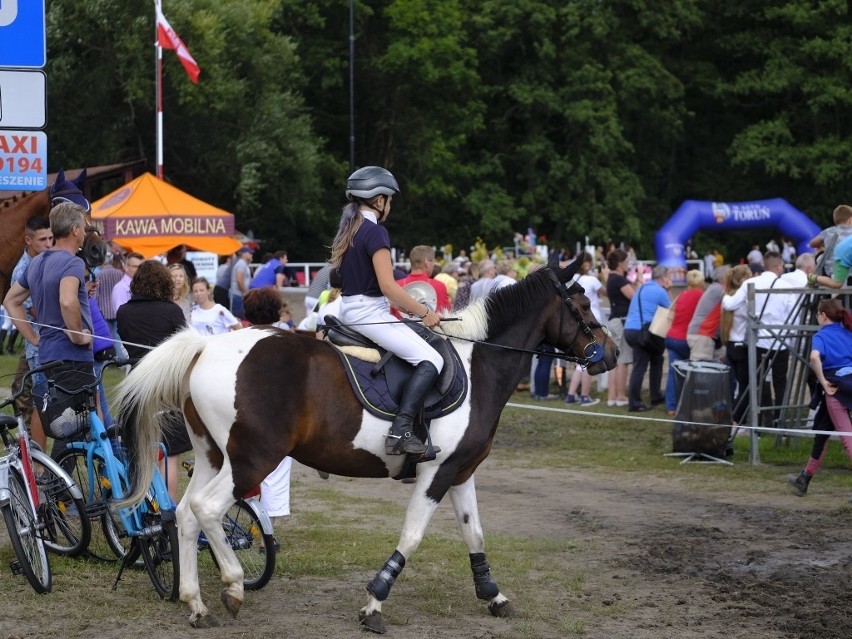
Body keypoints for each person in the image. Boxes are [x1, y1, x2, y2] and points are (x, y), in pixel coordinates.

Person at [329, 166, 443, 456]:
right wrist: (424, 312)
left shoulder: (350, 230)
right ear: (378, 201)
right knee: (432, 358)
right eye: (389, 200)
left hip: (350, 309)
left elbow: (339, 279)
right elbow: (389, 287)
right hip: (369, 314)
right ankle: (401, 430)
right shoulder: (375, 232)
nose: (389, 205)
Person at [3, 202, 95, 456]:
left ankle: (48, 478)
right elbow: (67, 300)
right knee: (73, 425)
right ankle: (59, 488)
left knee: (51, 416)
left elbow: (11, 301)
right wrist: (78, 335)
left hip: (47, 355)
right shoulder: (72, 262)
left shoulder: (36, 262)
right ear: (75, 230)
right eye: (85, 228)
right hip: (72, 355)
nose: (86, 234)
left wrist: (33, 337)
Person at [116, 260, 190, 502]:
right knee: (169, 455)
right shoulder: (171, 311)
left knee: (142, 452)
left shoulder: (124, 312)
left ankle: (147, 503)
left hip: (136, 387)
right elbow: (185, 349)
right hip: (166, 388)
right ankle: (168, 508)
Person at [787, 298, 852, 496]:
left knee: (848, 439)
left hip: (836, 390)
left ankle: (804, 478)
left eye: (817, 313)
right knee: (822, 433)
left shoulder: (821, 336)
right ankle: (804, 478)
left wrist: (823, 382)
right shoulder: (848, 331)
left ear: (823, 316)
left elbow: (815, 357)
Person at [242, 286, 293, 523]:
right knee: (275, 471)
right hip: (277, 414)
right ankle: (266, 532)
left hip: (242, 411)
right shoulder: (288, 340)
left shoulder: (237, 339)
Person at [723, 252, 788, 428]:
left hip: (757, 342)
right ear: (777, 266)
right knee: (780, 382)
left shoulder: (750, 284)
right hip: (781, 342)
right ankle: (780, 422)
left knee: (758, 383)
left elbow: (729, 304)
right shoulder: (785, 285)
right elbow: (791, 317)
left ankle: (761, 422)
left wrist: (724, 293)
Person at [7, 216, 53, 449]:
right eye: (42, 239)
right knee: (40, 406)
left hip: (47, 344)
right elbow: (38, 310)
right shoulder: (23, 271)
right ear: (28, 240)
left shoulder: (47, 261)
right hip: (39, 345)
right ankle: (38, 464)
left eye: (51, 238)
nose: (48, 243)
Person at [624, 265, 671, 412]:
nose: (670, 279)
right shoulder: (660, 291)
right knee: (640, 367)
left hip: (631, 329)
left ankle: (655, 396)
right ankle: (635, 403)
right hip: (643, 332)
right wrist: (668, 290)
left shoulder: (642, 288)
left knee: (657, 358)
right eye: (669, 277)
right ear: (663, 278)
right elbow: (671, 310)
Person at [565, 252, 605, 406]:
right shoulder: (592, 280)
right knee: (591, 359)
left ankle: (570, 394)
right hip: (593, 323)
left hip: (578, 324)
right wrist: (604, 276)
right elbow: (605, 293)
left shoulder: (573, 279)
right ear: (587, 263)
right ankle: (584, 395)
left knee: (581, 362)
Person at [663, 269, 705, 415]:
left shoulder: (682, 295)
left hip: (672, 337)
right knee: (693, 372)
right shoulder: (701, 296)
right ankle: (691, 403)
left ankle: (671, 407)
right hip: (687, 339)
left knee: (673, 372)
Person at [721, 265, 757, 426]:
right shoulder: (741, 300)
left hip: (731, 345)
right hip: (741, 346)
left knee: (741, 386)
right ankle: (735, 420)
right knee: (747, 388)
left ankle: (735, 418)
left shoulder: (729, 296)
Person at [605, 249, 634, 407]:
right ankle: (621, 396)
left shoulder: (612, 278)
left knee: (615, 361)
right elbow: (634, 296)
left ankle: (612, 396)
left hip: (614, 320)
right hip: (621, 321)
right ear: (620, 263)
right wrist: (640, 278)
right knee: (623, 360)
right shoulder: (619, 280)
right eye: (627, 261)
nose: (628, 264)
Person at [687, 265, 730, 361]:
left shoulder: (713, 288)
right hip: (702, 336)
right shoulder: (719, 290)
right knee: (701, 372)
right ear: (725, 278)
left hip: (704, 335)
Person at [395, 245, 451, 313]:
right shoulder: (439, 286)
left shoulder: (395, 286)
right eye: (433, 261)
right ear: (427, 262)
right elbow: (446, 315)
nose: (434, 265)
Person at [809, 204, 852, 277]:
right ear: (850, 220)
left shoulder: (829, 231)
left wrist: (823, 247)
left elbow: (812, 244)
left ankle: (818, 278)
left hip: (832, 274)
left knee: (819, 251)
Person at [229, 246, 254, 319]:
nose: (251, 255)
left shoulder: (243, 264)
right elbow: (239, 280)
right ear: (244, 254)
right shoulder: (241, 264)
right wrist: (246, 293)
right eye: (250, 253)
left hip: (238, 295)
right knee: (239, 318)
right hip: (238, 296)